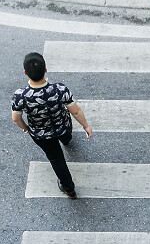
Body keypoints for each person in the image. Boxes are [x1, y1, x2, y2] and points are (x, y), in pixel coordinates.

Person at [12, 52, 94, 199]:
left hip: (41, 135)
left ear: (25, 72)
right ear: (46, 70)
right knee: (66, 136)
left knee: (56, 159)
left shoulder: (20, 96)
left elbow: (16, 119)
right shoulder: (60, 89)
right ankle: (67, 140)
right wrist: (86, 126)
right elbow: (75, 111)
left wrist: (26, 128)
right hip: (62, 126)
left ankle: (69, 188)